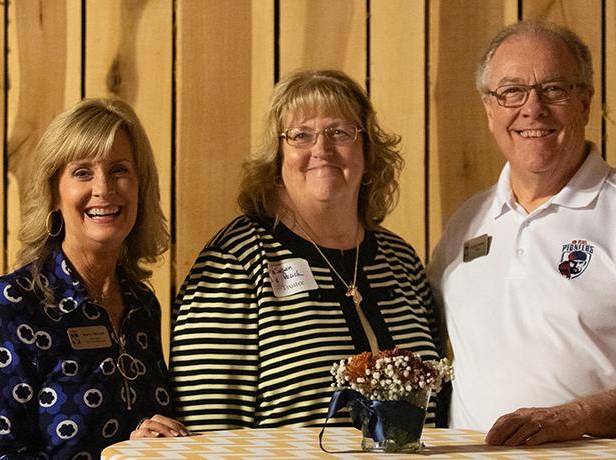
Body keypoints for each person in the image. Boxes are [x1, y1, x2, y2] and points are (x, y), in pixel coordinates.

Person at [428, 20, 616, 447]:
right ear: (490, 109)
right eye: (512, 91)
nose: (533, 108)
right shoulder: (465, 222)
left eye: (553, 89)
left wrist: (572, 417)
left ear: (585, 103)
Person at [170, 69, 443, 432]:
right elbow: (208, 429)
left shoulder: (401, 260)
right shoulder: (235, 260)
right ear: (277, 156)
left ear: (366, 149)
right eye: (301, 135)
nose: (322, 150)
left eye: (339, 132)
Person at [0, 98, 188, 459]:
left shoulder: (142, 305)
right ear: (54, 192)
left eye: (119, 170)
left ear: (140, 187)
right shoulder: (11, 304)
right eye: (83, 172)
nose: (104, 189)